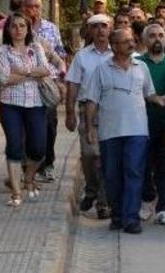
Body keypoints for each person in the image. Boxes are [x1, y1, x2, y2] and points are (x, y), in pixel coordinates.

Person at [84, 28, 164, 234]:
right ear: (114, 46)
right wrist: (90, 127)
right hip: (110, 131)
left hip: (137, 129)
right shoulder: (102, 69)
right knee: (112, 175)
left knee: (134, 172)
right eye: (125, 41)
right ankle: (118, 215)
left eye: (132, 39)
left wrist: (160, 100)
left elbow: (150, 94)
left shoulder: (142, 67)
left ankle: (131, 218)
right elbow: (92, 100)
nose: (131, 43)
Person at [0, 13, 51, 206]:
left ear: (28, 29)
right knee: (14, 145)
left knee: (38, 148)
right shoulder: (3, 51)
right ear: (8, 30)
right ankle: (16, 193)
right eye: (14, 26)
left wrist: (20, 72)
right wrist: (31, 74)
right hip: (10, 104)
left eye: (22, 26)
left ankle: (28, 177)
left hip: (35, 103)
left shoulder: (35, 49)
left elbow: (45, 70)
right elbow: (4, 79)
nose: (18, 30)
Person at [65, 14, 113, 219]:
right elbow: (73, 84)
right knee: (89, 154)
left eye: (104, 26)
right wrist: (69, 112)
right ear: (90, 31)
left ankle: (103, 201)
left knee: (105, 157)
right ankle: (91, 188)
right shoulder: (82, 56)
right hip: (87, 111)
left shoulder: (117, 54)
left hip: (111, 110)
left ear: (110, 29)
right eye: (96, 26)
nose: (100, 30)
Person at [137, 24, 165, 226]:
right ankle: (147, 200)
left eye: (161, 35)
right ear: (145, 40)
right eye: (152, 35)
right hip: (142, 125)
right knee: (143, 164)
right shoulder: (137, 63)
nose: (157, 39)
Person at [23, 0, 66, 183]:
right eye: (29, 6)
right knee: (25, 127)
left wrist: (62, 81)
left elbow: (59, 54)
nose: (33, 10)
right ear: (23, 8)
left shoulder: (51, 29)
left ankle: (48, 164)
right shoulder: (16, 27)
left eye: (36, 6)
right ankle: (28, 166)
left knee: (49, 125)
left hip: (48, 85)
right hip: (23, 87)